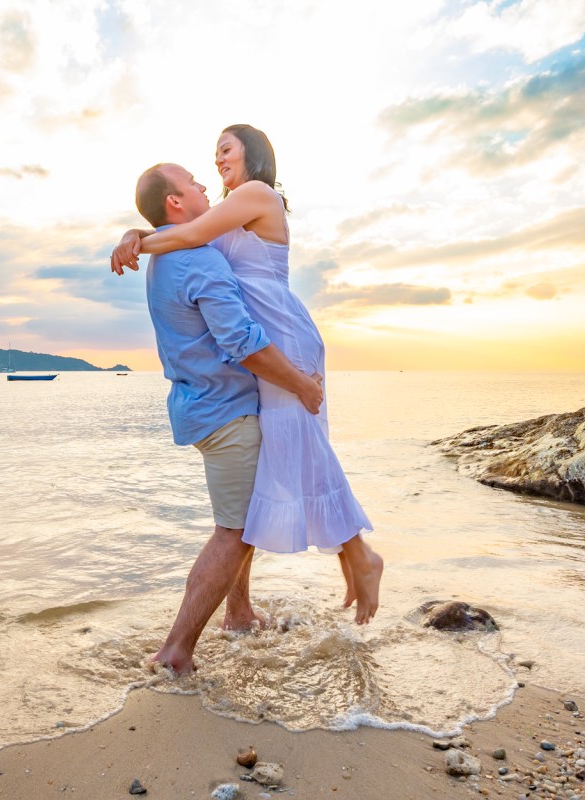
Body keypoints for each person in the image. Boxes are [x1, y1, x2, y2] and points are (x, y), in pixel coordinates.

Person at [114, 126, 383, 625]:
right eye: (214, 153)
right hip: (260, 341)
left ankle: (360, 556)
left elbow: (187, 234)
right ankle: (337, 565)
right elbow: (184, 229)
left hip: (280, 333)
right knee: (291, 447)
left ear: (252, 153)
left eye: (226, 149)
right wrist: (135, 233)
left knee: (301, 441)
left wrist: (136, 241)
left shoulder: (257, 193)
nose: (217, 160)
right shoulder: (223, 212)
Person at [131, 162, 327, 675]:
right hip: (227, 414)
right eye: (192, 182)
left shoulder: (170, 254)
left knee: (242, 519)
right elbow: (242, 342)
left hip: (201, 406)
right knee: (234, 532)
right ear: (176, 202)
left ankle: (239, 614)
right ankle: (175, 651)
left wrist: (135, 235)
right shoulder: (197, 258)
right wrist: (302, 385)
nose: (204, 184)